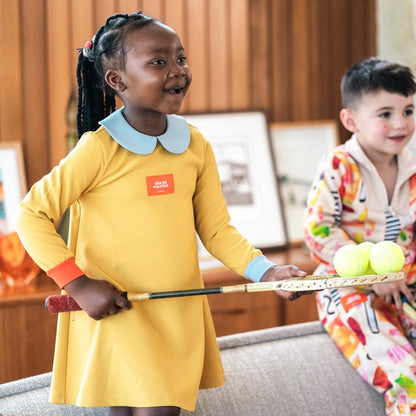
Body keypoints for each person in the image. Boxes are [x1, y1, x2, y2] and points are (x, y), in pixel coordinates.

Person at [16, 11, 308, 416]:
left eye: (181, 58)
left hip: (175, 311)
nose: (178, 71)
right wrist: (78, 285)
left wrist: (267, 273)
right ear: (117, 81)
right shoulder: (97, 149)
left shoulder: (196, 146)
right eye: (159, 62)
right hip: (119, 309)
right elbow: (31, 214)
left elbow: (217, 229)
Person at [304, 56, 416, 415]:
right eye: (385, 114)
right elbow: (318, 230)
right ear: (351, 120)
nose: (400, 123)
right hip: (348, 289)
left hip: (405, 284)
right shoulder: (339, 165)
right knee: (408, 380)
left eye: (409, 110)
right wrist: (371, 273)